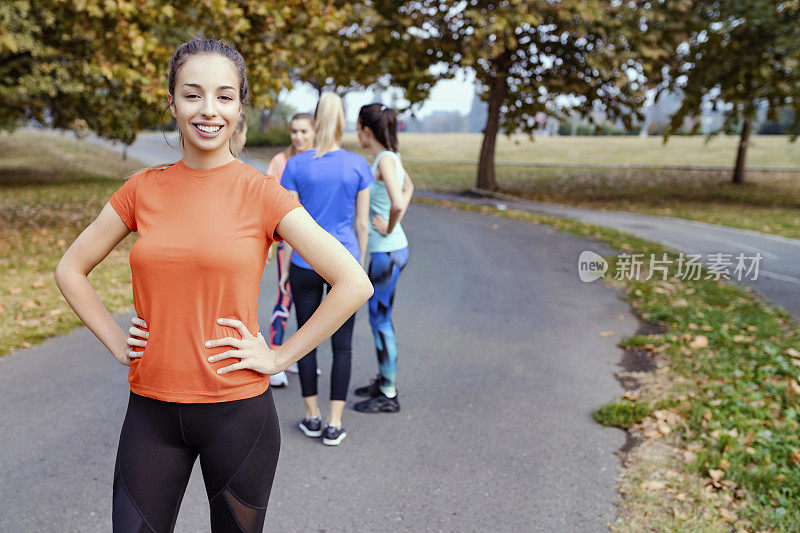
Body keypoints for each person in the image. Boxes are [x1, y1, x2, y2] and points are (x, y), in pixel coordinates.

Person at [53, 39, 372, 532]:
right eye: (192, 94)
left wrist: (280, 356)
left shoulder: (263, 194)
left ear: (239, 105)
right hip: (151, 414)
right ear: (173, 102)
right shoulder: (141, 189)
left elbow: (353, 282)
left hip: (238, 416)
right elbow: (70, 269)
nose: (208, 110)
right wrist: (118, 342)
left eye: (224, 96)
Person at [279, 92, 372, 445]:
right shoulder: (358, 165)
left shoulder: (296, 165)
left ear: (316, 123)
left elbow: (288, 222)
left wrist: (287, 265)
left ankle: (312, 416)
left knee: (305, 341)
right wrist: (358, 266)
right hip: (344, 265)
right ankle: (334, 423)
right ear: (343, 121)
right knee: (343, 347)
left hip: (304, 262)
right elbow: (362, 224)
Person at [353, 103, 414, 413]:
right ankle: (383, 380)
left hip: (386, 251)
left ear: (366, 130)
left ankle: (388, 393)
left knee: (381, 321)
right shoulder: (390, 156)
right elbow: (410, 187)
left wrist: (389, 226)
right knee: (380, 319)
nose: (356, 132)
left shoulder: (384, 160)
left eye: (357, 127)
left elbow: (396, 201)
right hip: (392, 250)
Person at [265, 112, 315, 388]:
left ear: (314, 132)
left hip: (314, 243)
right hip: (287, 241)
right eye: (294, 131)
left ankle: (295, 356)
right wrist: (271, 245)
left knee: (308, 302)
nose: (298, 137)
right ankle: (275, 357)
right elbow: (269, 203)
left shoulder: (319, 162)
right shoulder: (280, 161)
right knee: (284, 296)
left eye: (304, 132)